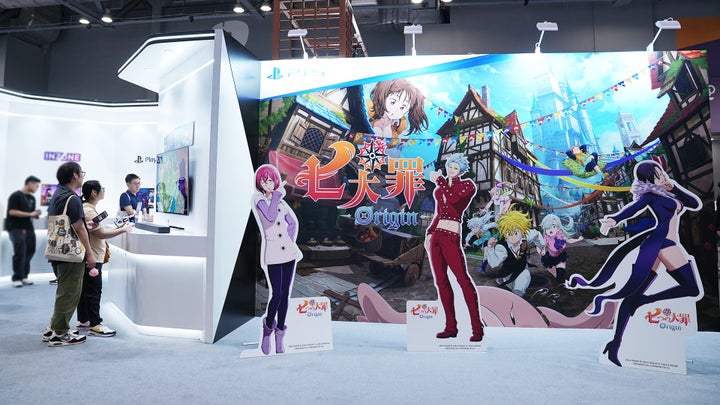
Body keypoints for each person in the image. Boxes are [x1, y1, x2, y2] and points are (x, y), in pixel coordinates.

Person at [567, 160, 702, 367]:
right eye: (656, 176)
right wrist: (614, 219)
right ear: (648, 181)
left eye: (660, 172)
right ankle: (643, 302)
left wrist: (672, 187)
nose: (661, 176)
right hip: (664, 243)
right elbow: (633, 208)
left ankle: (615, 344)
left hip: (662, 243)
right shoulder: (651, 196)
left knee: (632, 296)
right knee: (691, 288)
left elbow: (693, 203)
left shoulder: (668, 192)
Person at [425, 154, 484, 342]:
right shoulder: (442, 186)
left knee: (462, 280)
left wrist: (440, 181)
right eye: (450, 166)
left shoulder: (467, 185)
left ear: (462, 171)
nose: (451, 170)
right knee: (441, 281)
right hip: (437, 235)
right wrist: (429, 232)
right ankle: (451, 327)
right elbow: (440, 212)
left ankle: (477, 328)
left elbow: (453, 200)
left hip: (451, 236)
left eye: (455, 168)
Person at [251, 164, 303, 355]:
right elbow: (271, 217)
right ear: (260, 183)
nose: (268, 184)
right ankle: (267, 330)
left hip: (288, 253)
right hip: (273, 253)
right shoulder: (259, 200)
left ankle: (280, 334)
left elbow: (292, 223)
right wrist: (277, 195)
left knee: (285, 295)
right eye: (265, 181)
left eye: (271, 180)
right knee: (277, 294)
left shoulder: (280, 202)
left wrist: (289, 240)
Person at [43, 162, 95, 347]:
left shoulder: (58, 194)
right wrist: (89, 254)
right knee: (69, 293)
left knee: (64, 291)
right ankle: (60, 333)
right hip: (70, 254)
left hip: (56, 251)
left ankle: (55, 327)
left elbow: (67, 222)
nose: (82, 176)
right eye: (82, 173)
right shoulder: (72, 198)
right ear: (75, 175)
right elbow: (79, 228)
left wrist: (84, 225)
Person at [78, 180, 134, 337]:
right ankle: (95, 324)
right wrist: (123, 230)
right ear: (94, 193)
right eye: (102, 188)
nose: (104, 190)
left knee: (86, 290)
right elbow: (100, 234)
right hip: (93, 256)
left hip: (90, 254)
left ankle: (84, 319)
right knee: (93, 290)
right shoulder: (89, 211)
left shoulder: (87, 208)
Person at [484, 210, 544, 297]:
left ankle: (518, 295)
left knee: (523, 277)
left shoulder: (525, 237)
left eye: (516, 233)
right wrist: (490, 248)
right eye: (508, 233)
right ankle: (513, 292)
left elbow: (537, 234)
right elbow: (494, 264)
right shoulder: (502, 247)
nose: (513, 237)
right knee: (514, 283)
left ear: (522, 231)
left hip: (522, 270)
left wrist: (541, 246)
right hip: (508, 273)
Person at [367, 79, 428, 148]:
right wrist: (375, 128)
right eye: (392, 102)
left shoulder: (401, 123)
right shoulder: (368, 108)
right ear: (383, 96)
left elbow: (392, 144)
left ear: (407, 111)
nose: (395, 110)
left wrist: (387, 129)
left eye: (402, 107)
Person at [5, 175, 42, 287]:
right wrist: (31, 214)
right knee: (20, 251)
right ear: (30, 183)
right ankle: (17, 277)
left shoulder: (32, 198)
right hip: (15, 227)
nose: (37, 188)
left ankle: (24, 276)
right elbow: (12, 212)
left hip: (28, 227)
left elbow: (30, 214)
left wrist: (35, 215)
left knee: (30, 250)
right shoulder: (15, 196)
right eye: (36, 186)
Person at [538, 214, 583, 282]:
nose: (551, 229)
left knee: (560, 275)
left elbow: (569, 240)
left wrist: (578, 240)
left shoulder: (561, 235)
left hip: (560, 257)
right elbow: (541, 246)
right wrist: (541, 250)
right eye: (548, 227)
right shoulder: (546, 238)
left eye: (553, 226)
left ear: (558, 228)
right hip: (549, 259)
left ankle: (561, 282)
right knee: (557, 278)